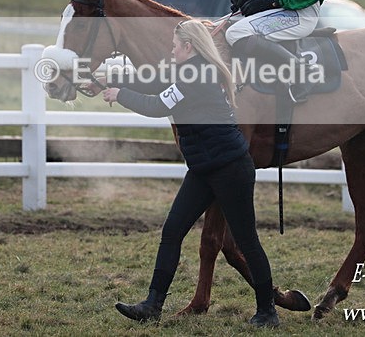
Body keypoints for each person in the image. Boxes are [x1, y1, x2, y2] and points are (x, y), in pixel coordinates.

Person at [103, 19, 285, 328]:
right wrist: (108, 80)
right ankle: (152, 305)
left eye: (175, 47)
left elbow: (158, 104)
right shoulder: (189, 70)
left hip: (230, 170)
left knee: (246, 240)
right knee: (173, 230)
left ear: (188, 47)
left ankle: (268, 312)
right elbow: (154, 80)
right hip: (205, 168)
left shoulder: (195, 75)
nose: (171, 51)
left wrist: (119, 94)